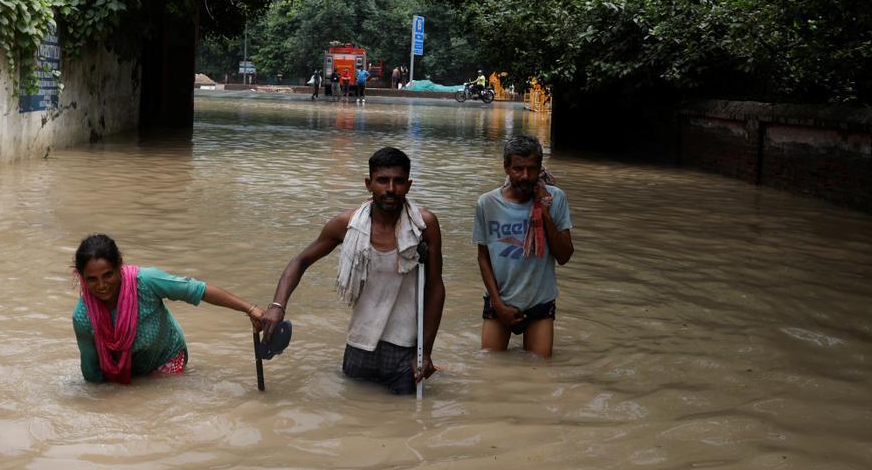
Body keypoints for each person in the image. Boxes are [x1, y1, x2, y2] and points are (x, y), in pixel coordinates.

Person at [259, 147, 444, 394]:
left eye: (398, 181)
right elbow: (300, 261)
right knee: (352, 414)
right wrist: (277, 306)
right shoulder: (347, 225)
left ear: (408, 185)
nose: (390, 188)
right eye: (382, 181)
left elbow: (435, 289)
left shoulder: (424, 225)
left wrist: (426, 351)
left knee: (402, 424)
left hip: (405, 347)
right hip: (359, 342)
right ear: (368, 184)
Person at [71, 234, 264, 383]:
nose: (102, 285)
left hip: (167, 357)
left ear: (119, 265)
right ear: (81, 278)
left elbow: (197, 290)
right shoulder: (83, 316)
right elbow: (91, 369)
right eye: (92, 279)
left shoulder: (146, 282)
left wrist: (249, 308)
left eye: (108, 275)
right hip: (126, 370)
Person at [472, 134, 574, 358]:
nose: (525, 176)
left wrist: (544, 210)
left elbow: (564, 256)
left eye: (532, 169)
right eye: (518, 169)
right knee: (489, 364)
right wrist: (497, 305)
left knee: (539, 367)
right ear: (506, 167)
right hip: (501, 301)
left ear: (540, 168)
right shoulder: (487, 203)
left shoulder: (555, 198)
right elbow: (483, 257)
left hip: (540, 302)